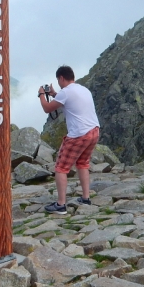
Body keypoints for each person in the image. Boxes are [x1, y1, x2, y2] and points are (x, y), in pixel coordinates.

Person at [38, 65, 99, 215]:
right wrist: (54, 94)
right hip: (94, 131)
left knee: (60, 168)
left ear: (61, 78)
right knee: (83, 163)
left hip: (79, 134)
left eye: (58, 80)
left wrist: (41, 94)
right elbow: (69, 101)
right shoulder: (83, 89)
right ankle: (85, 198)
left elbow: (47, 108)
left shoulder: (65, 93)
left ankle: (61, 205)